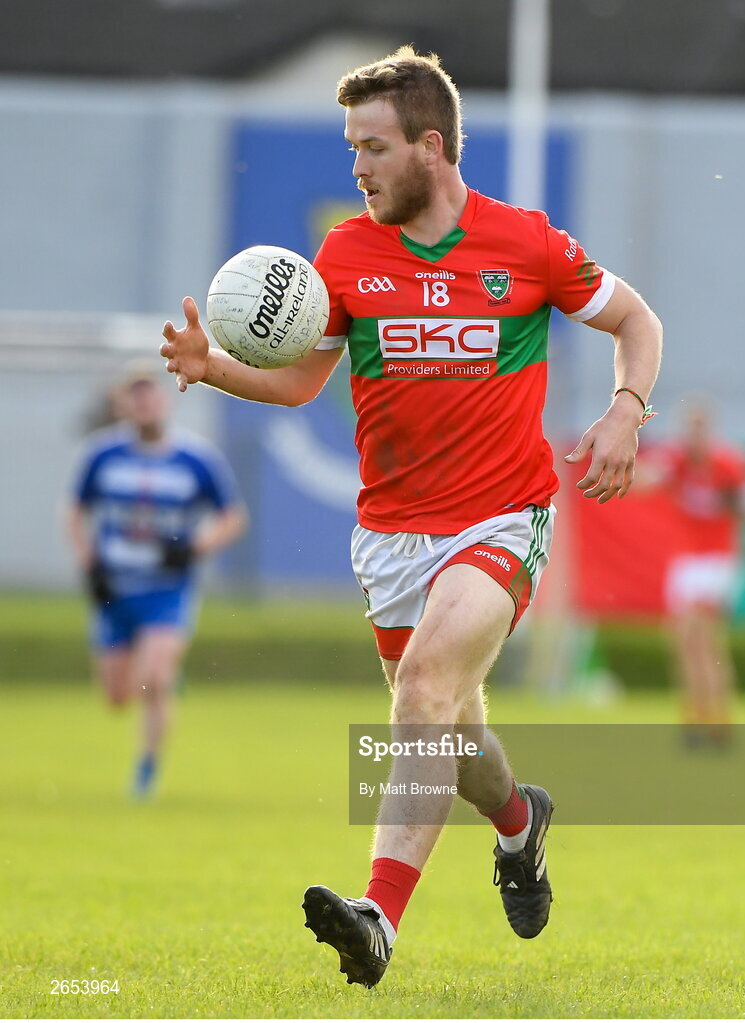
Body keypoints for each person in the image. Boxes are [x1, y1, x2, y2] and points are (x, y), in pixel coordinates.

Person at [160, 47, 662, 987]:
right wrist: (212, 366)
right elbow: (304, 378)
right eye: (353, 147)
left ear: (430, 148)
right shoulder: (346, 252)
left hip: (502, 518)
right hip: (393, 533)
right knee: (450, 727)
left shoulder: (527, 243)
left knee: (425, 688)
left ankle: (378, 916)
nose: (357, 166)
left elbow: (639, 321)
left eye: (374, 147)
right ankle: (519, 823)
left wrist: (626, 411)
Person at [66, 364, 248, 797]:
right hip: (114, 589)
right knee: (117, 698)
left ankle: (146, 768)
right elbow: (74, 513)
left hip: (166, 588)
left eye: (150, 395)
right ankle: (162, 677)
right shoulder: (101, 456)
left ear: (164, 401)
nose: (144, 404)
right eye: (134, 396)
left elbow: (232, 517)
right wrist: (89, 564)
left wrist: (193, 548)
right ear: (122, 406)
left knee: (153, 680)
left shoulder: (195, 458)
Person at [649, 400, 745, 745]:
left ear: (710, 429)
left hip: (718, 563)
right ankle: (702, 716)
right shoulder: (676, 462)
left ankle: (714, 720)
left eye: (700, 426)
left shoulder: (730, 465)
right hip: (684, 562)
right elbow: (644, 480)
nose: (694, 434)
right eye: (689, 426)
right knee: (686, 644)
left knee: (698, 634)